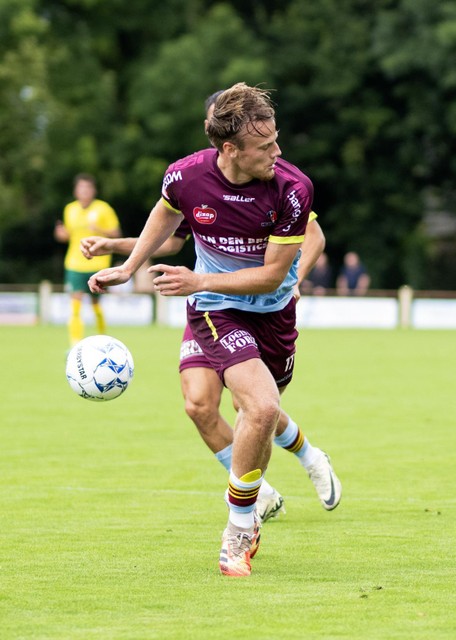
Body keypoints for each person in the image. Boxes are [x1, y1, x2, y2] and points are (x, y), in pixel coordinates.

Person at [87, 83, 341, 577]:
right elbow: (165, 222)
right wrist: (127, 264)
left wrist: (209, 279)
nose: (277, 152)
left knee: (258, 412)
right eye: (265, 146)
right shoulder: (186, 176)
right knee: (227, 405)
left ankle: (306, 458)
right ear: (229, 149)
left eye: (276, 140)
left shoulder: (292, 188)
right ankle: (241, 525)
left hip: (271, 313)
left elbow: (271, 275)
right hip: (214, 309)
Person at [54, 173, 122, 345]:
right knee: (75, 305)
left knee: (96, 306)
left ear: (94, 190)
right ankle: (74, 345)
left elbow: (116, 234)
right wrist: (61, 235)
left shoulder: (103, 209)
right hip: (74, 264)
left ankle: (103, 341)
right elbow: (69, 235)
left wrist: (99, 229)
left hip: (98, 263)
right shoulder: (70, 209)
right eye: (81, 188)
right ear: (76, 191)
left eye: (88, 187)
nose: (84, 191)